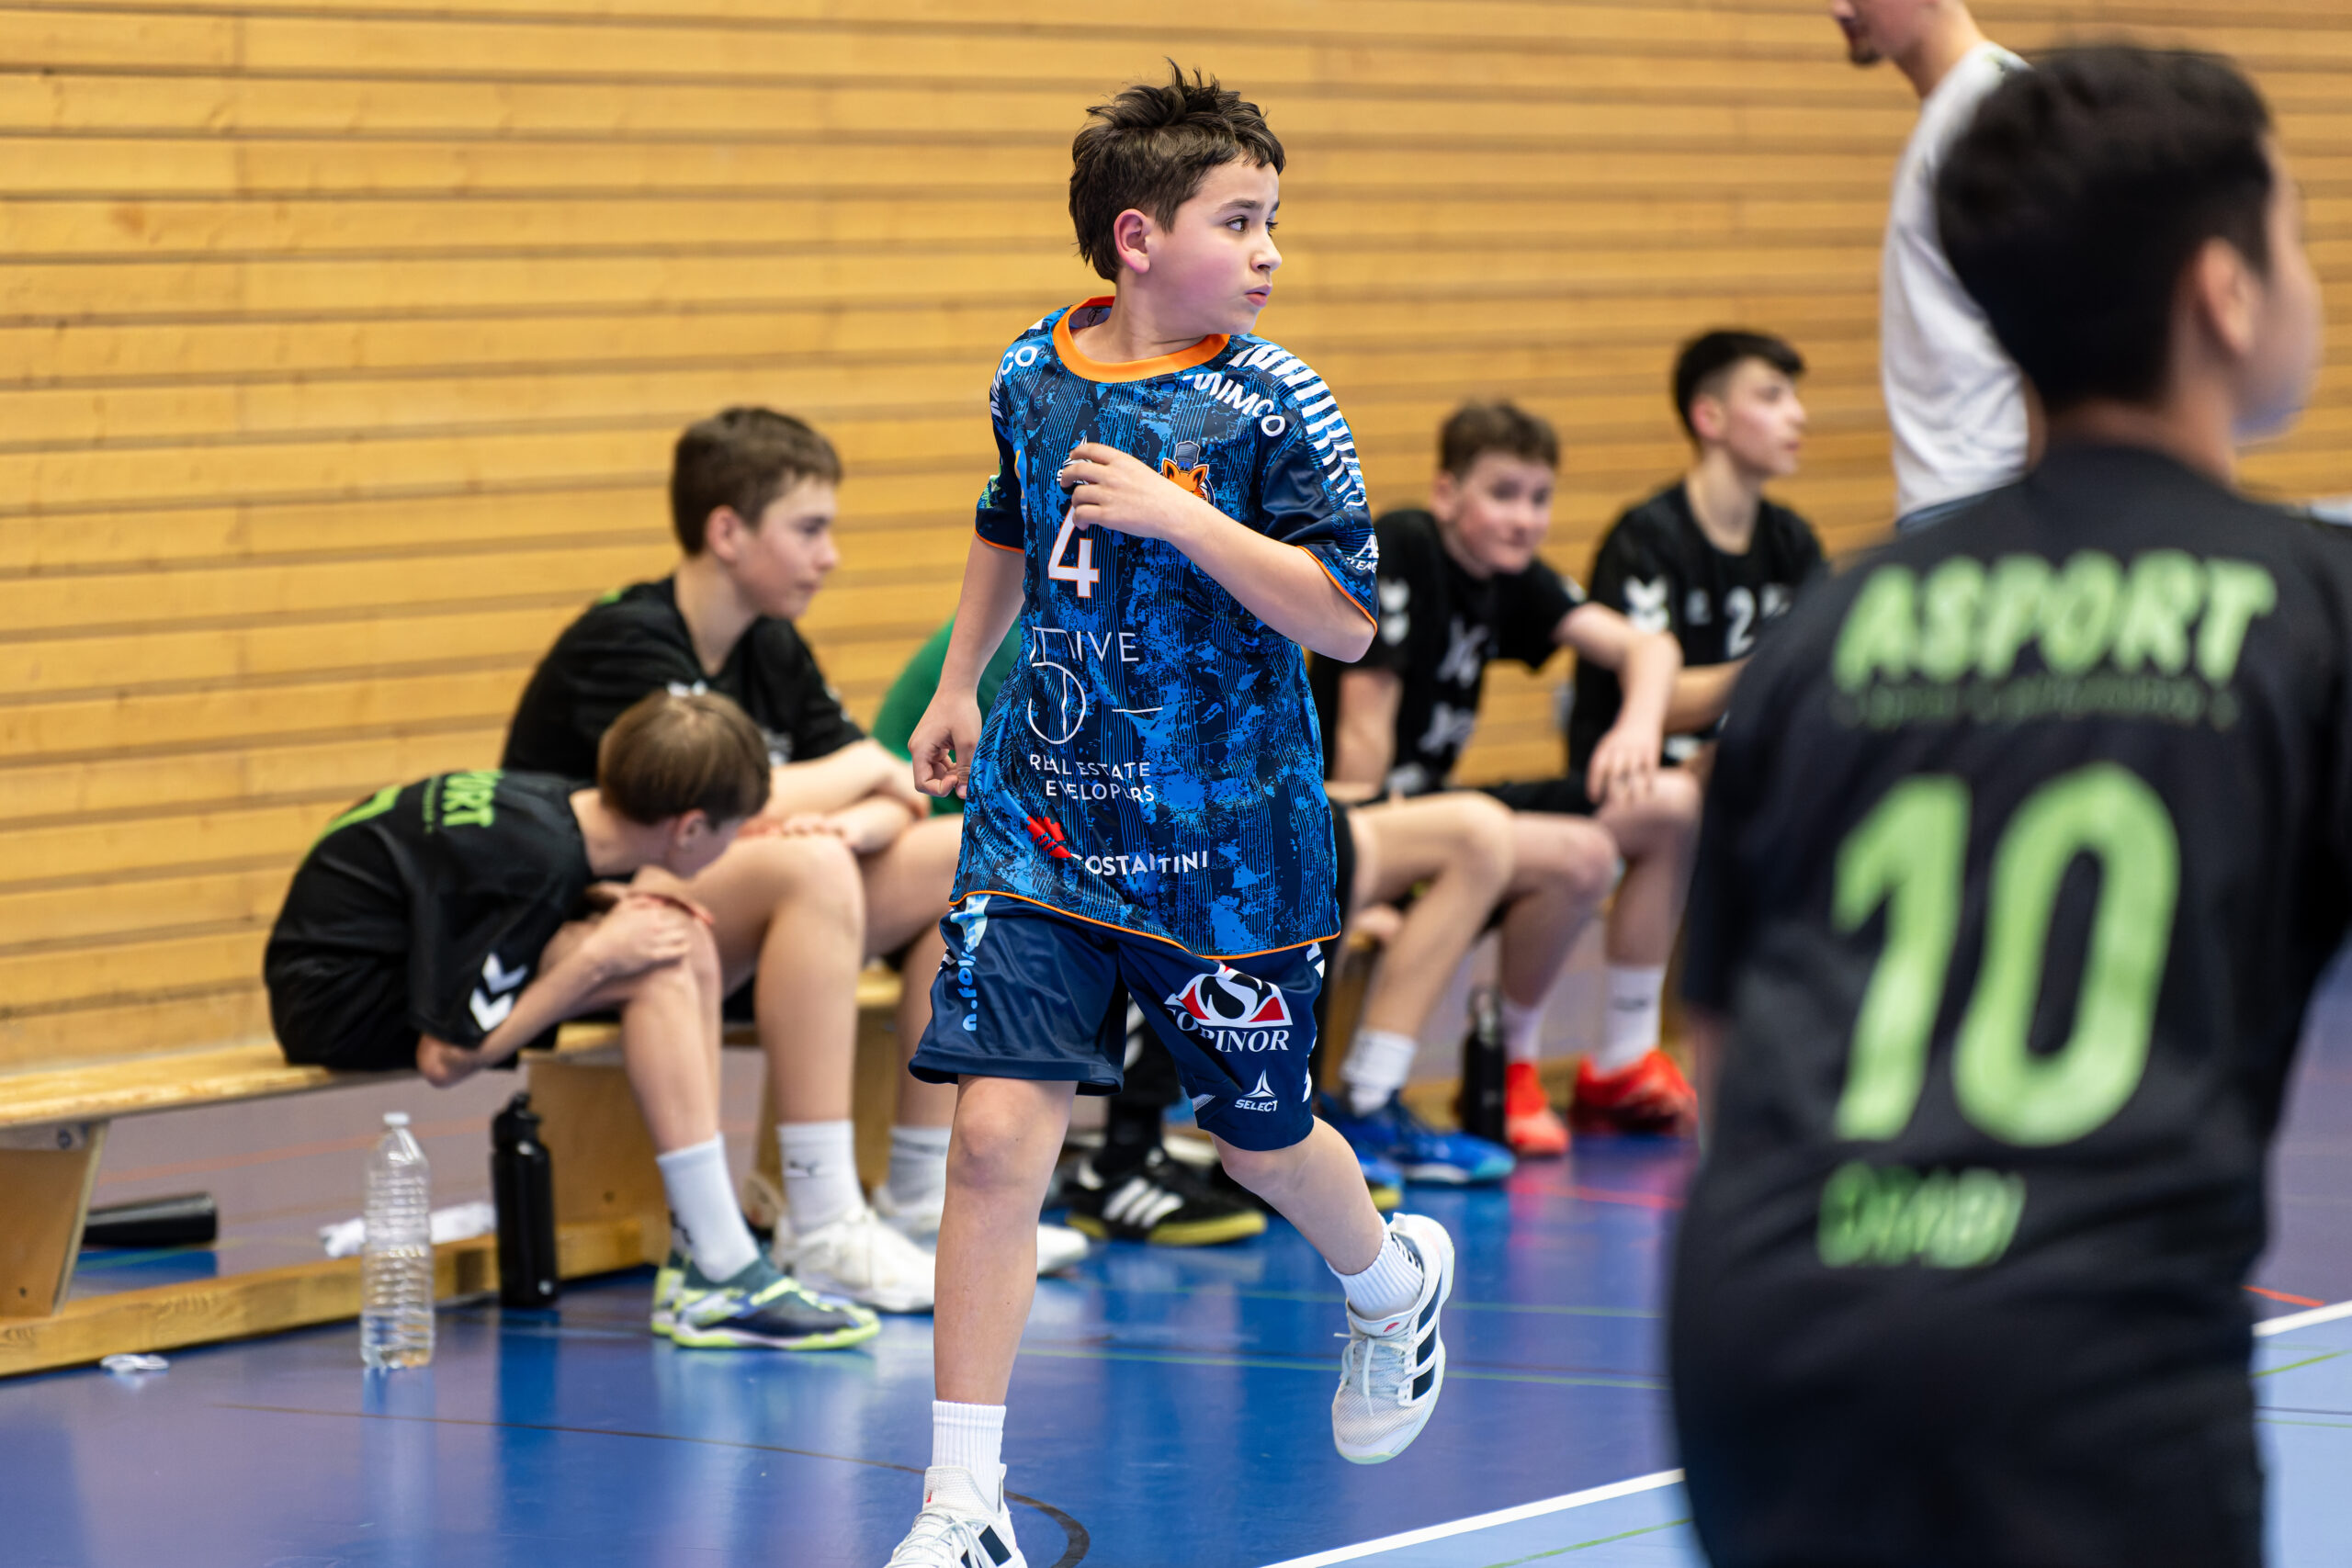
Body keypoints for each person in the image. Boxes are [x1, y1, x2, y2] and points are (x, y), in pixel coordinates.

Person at [1672, 46, 2326, 1567]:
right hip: (2088, 1347)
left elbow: (1723, 1045)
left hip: (1766, 1331)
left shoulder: (1829, 629)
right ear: (2227, 294)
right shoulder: (2306, 605)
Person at [886, 67, 1456, 1567]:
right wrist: (961, 680)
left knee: (1256, 1141)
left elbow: (1346, 622)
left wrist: (1184, 515)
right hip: (1043, 825)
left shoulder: (1281, 403)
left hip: (1229, 856)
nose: (1270, 251)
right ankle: (963, 1504)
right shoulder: (1032, 368)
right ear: (1138, 237)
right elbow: (1006, 522)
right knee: (994, 1140)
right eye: (1240, 221)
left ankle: (1391, 1279)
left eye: (1273, 221)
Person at [503, 407, 1073, 1313]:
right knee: (811, 870)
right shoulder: (625, 641)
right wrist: (841, 793)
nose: (829, 556)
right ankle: (820, 1218)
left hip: (739, 911)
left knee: (961, 850)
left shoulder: (770, 644)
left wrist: (851, 821)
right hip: (601, 926)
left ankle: (921, 1191)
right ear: (727, 532)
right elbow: (688, 816)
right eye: (808, 529)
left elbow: (889, 782)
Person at [265, 691, 880, 1351]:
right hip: (333, 1002)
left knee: (675, 936)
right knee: (652, 964)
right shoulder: (530, 865)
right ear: (689, 829)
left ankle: (701, 1246)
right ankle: (721, 1269)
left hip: (377, 953)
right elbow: (445, 1058)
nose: (734, 846)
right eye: (733, 831)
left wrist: (597, 910)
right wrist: (595, 959)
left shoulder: (561, 809)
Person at [1313, 400, 1693, 1160]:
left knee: (1635, 826)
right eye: (1503, 494)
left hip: (1435, 806)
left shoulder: (1511, 576)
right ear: (1447, 493)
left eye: (1540, 498)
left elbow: (1649, 650)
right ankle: (1368, 1099)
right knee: (1484, 830)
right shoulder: (1406, 545)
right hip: (1354, 809)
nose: (1525, 518)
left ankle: (1531, 1065)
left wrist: (1638, 725)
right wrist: (1368, 880)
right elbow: (1361, 736)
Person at [873, 617, 1272, 1245]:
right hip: (948, 872)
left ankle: (1257, 1139)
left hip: (991, 869)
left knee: (1204, 855)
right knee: (1155, 871)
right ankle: (1125, 1156)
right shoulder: (1034, 646)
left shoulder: (1116, 636)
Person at [1570, 330, 1824, 780]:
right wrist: (1766, 675)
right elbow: (1649, 701)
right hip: (1644, 781)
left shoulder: (1791, 540)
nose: (1797, 416)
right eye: (1772, 396)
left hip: (1747, 777)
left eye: (1794, 397)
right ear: (1710, 417)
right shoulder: (1645, 539)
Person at [1831, 0, 2029, 529]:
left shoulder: (1994, 110)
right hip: (1953, 496)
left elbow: (2058, 313)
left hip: (1991, 495)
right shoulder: (1952, 111)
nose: (1837, 10)